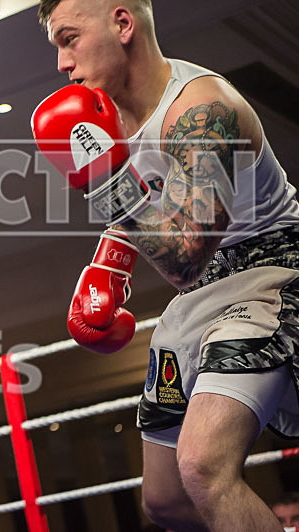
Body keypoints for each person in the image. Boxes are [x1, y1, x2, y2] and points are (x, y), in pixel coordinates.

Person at [32, 1, 299, 530]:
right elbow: (155, 200)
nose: (63, 62)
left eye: (69, 39)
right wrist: (107, 267)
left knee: (202, 465)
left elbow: (184, 258)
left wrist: (102, 179)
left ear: (123, 22)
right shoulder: (109, 115)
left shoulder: (203, 112)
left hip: (272, 274)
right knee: (166, 500)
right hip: (206, 294)